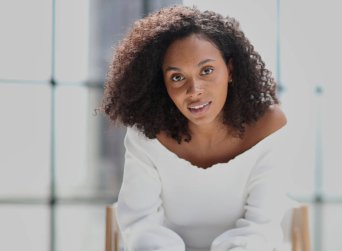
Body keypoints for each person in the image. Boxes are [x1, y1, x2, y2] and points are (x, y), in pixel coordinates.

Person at [101, 5, 294, 251]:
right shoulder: (147, 133)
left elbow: (261, 229)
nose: (194, 91)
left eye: (207, 70)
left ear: (231, 70)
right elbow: (141, 226)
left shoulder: (268, 126)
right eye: (177, 77)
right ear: (161, 83)